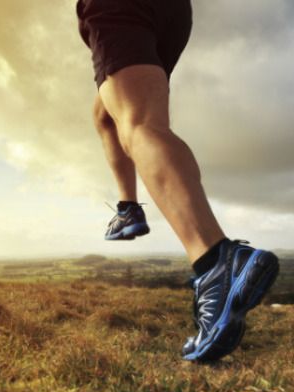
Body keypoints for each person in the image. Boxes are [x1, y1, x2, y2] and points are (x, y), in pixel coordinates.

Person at [76, 0, 279, 361]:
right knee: (109, 116)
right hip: (172, 13)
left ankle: (214, 259)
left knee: (140, 126)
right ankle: (128, 209)